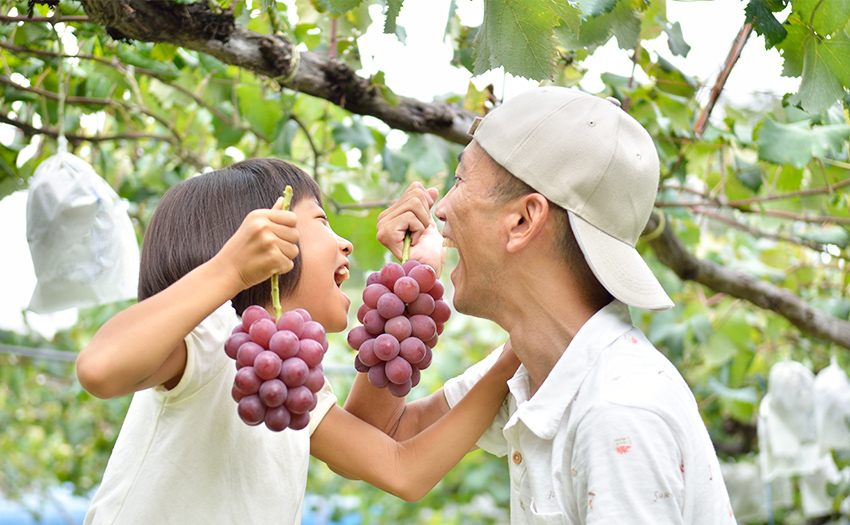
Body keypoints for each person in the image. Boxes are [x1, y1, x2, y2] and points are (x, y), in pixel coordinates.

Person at [343, 86, 736, 523]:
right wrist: (411, 286)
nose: (441, 209)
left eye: (459, 181)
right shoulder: (531, 369)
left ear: (522, 220)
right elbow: (377, 440)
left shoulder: (617, 412)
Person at [75, 158, 519, 524]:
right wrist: (230, 270)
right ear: (266, 236)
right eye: (322, 220)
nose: (345, 244)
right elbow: (99, 368)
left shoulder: (288, 380)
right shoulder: (210, 337)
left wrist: (421, 278)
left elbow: (402, 469)